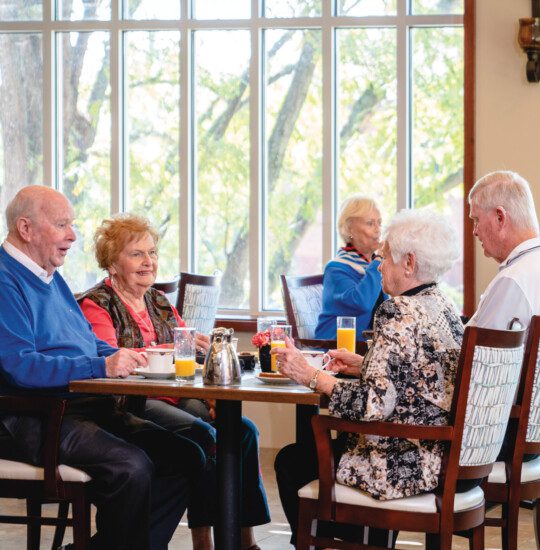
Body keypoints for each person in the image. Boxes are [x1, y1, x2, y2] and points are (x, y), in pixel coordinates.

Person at [0, 186, 206, 550]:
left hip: (84, 405)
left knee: (187, 456)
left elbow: (87, 342)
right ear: (26, 228)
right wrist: (100, 365)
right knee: (132, 467)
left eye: (72, 225)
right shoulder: (6, 280)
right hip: (35, 417)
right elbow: (21, 366)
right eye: (62, 225)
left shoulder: (51, 276)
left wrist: (124, 358)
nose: (72, 236)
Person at [78, 213, 270, 550]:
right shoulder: (97, 304)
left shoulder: (159, 301)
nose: (148, 262)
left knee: (242, 432)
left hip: (174, 396)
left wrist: (203, 352)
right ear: (112, 262)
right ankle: (205, 542)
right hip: (129, 403)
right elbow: (113, 360)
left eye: (152, 253)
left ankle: (244, 541)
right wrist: (171, 347)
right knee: (205, 436)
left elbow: (188, 351)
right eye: (136, 254)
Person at [273, 209, 464, 547]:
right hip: (439, 455)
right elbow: (422, 375)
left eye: (384, 256)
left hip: (400, 463)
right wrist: (365, 365)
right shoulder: (442, 305)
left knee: (292, 460)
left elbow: (370, 406)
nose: (378, 265)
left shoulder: (398, 311)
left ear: (408, 263)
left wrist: (311, 375)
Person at [467, 170, 540, 331]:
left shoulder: (512, 280)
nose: (475, 231)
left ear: (500, 218)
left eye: (477, 220)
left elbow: (481, 354)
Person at [315, 195, 386, 340]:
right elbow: (362, 302)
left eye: (379, 223)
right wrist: (379, 259)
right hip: (336, 350)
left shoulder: (372, 265)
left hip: (367, 349)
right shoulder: (336, 269)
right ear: (349, 229)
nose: (378, 230)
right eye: (370, 223)